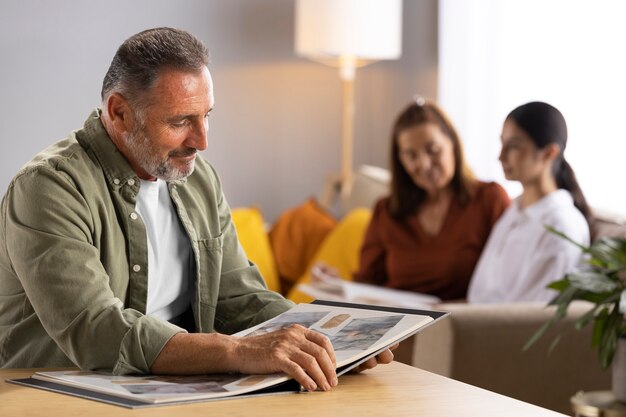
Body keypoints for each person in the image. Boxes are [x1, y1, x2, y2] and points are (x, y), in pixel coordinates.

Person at [0, 27, 392, 391]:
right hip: (57, 393)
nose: (202, 141)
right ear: (119, 112)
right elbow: (97, 332)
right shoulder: (49, 188)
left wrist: (324, 340)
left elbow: (237, 297)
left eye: (207, 116)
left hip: (170, 391)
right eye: (181, 120)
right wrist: (237, 352)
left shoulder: (198, 179)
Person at [316, 98, 510, 300]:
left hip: (458, 324)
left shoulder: (489, 200)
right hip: (398, 324)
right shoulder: (386, 211)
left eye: (433, 150)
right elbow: (367, 285)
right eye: (411, 155)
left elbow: (508, 280)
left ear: (452, 143)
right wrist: (335, 285)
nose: (424, 164)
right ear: (400, 160)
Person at [468, 101, 591, 303]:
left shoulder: (562, 226)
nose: (501, 156)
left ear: (549, 153)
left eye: (514, 145)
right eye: (502, 143)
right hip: (475, 326)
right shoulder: (514, 212)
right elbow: (480, 295)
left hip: (497, 332)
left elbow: (531, 317)